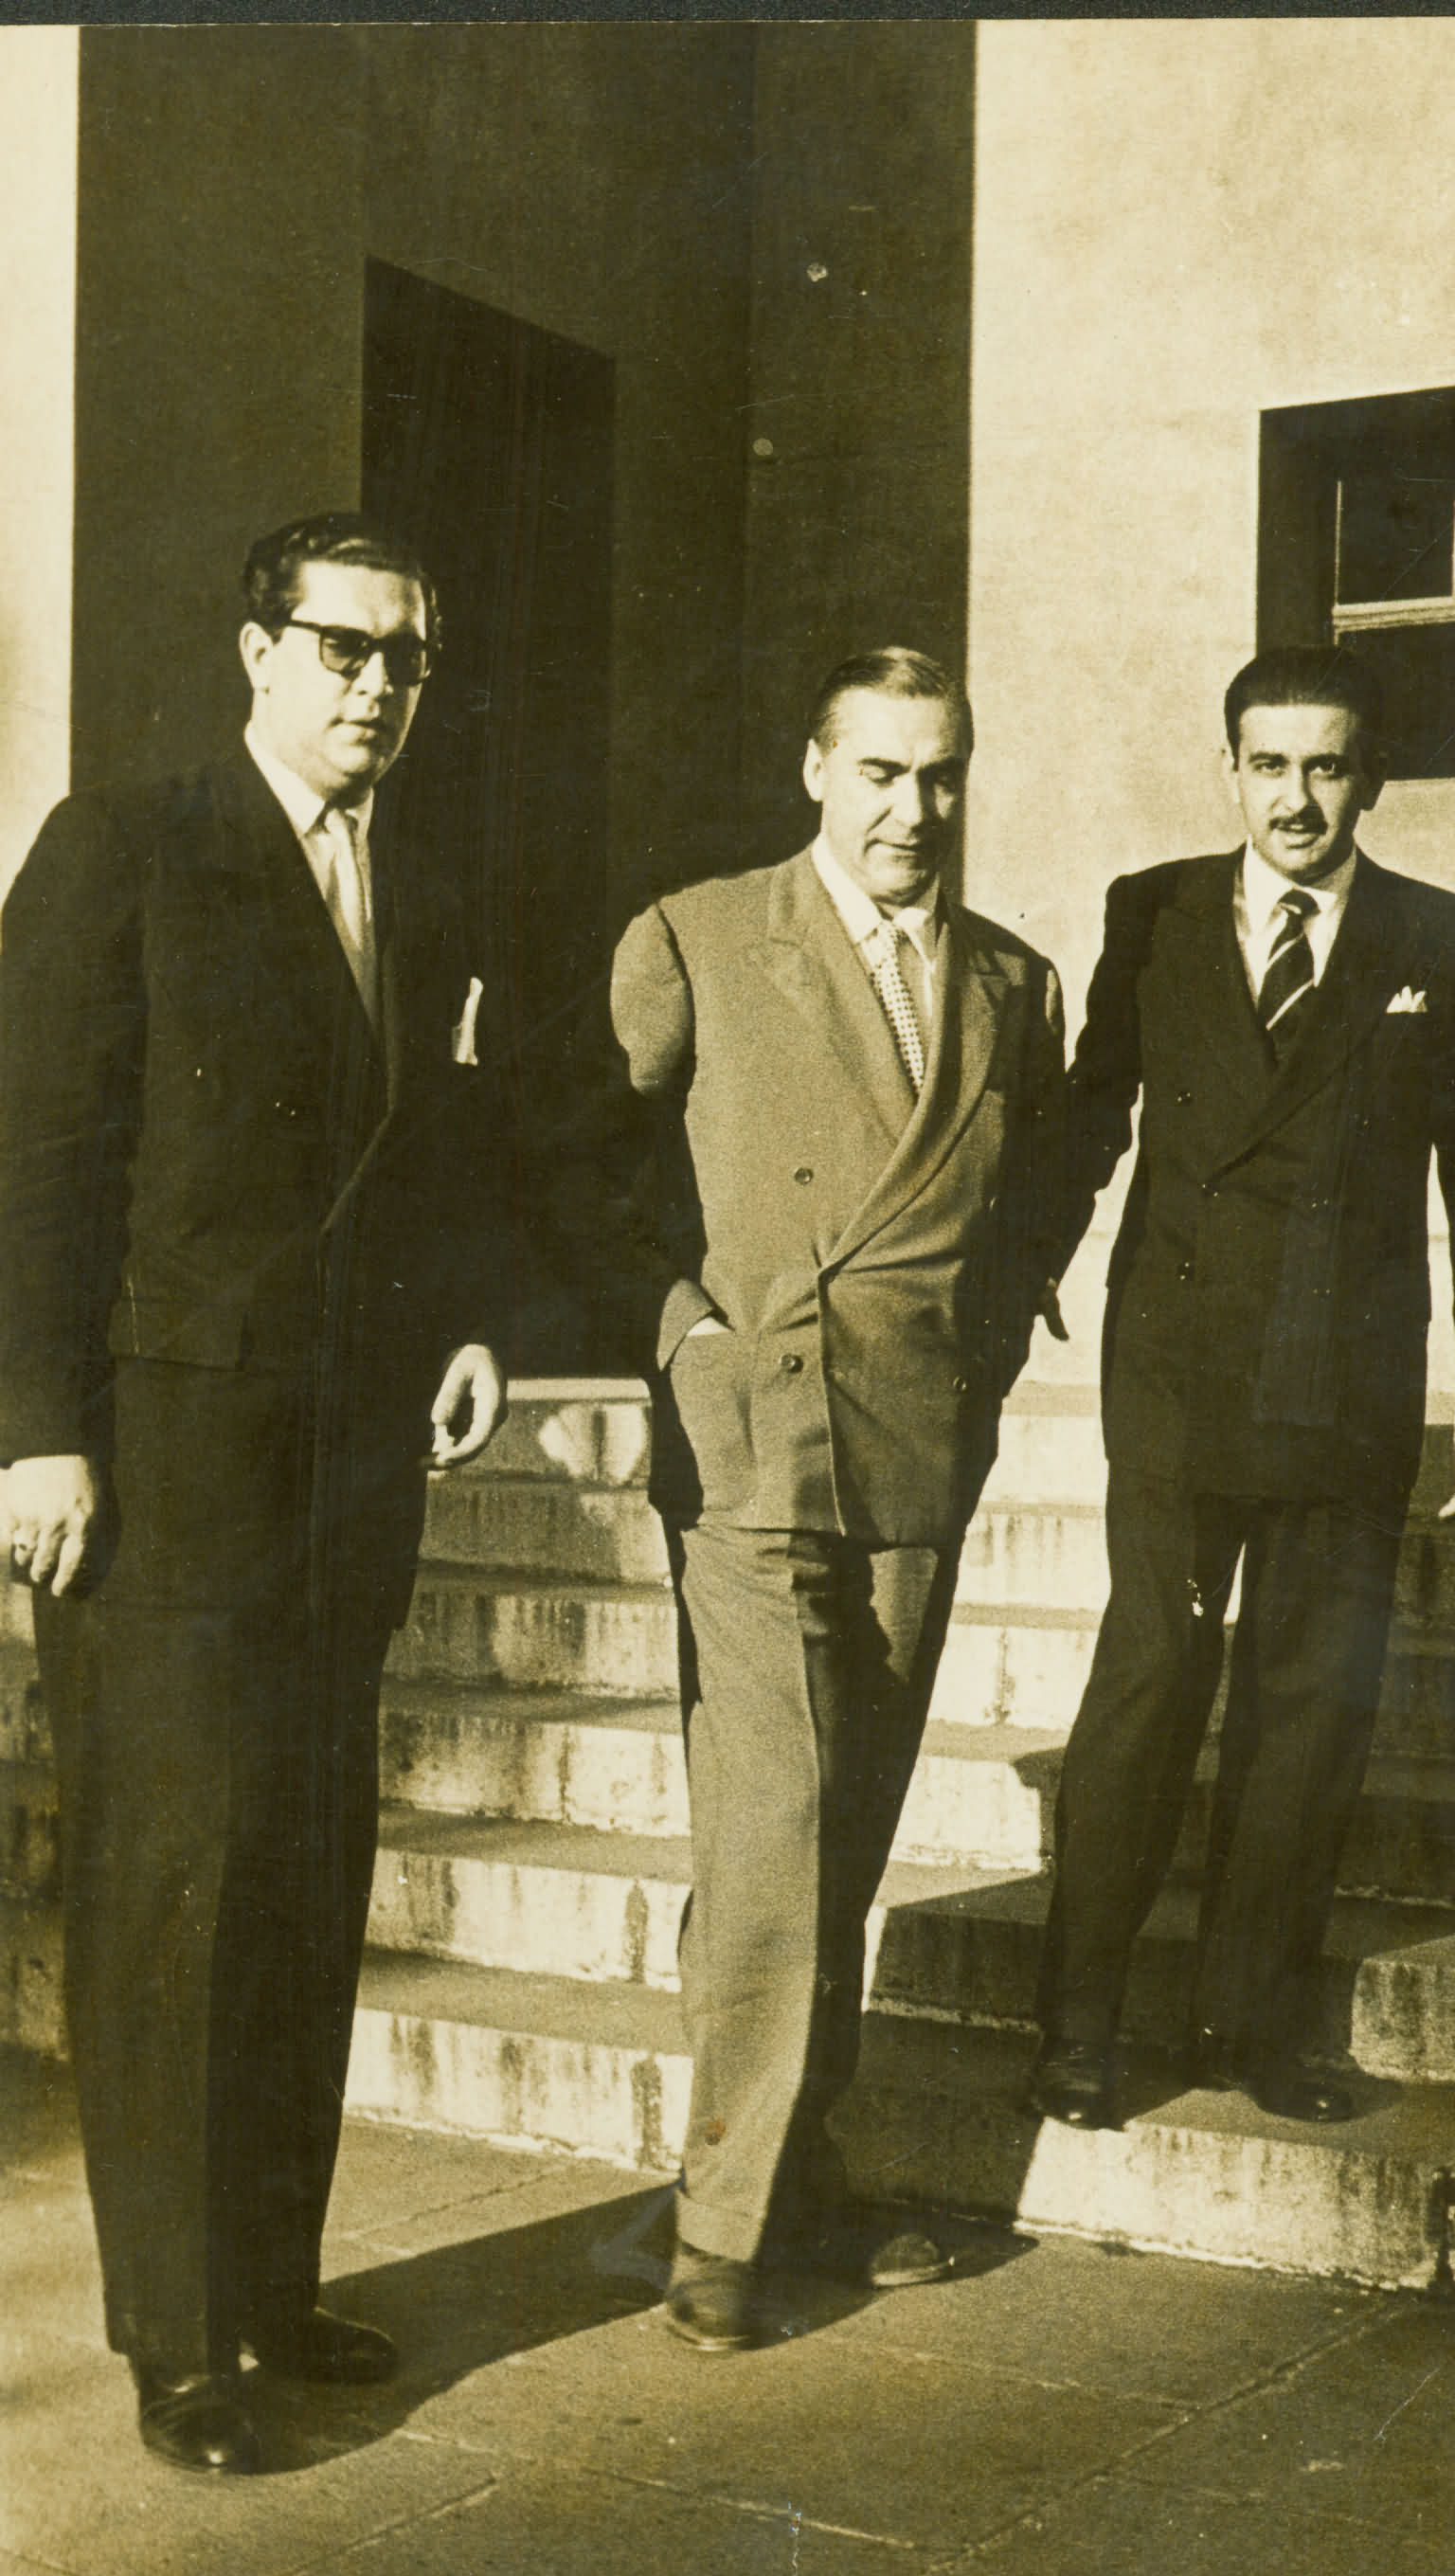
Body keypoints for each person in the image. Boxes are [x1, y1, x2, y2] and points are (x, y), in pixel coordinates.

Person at [0, 513, 508, 2472]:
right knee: (174, 1895)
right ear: (258, 652)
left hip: (342, 1476)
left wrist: (461, 1319)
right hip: (165, 1478)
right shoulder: (126, 847)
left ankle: (274, 2285)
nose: (378, 686)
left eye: (408, 656)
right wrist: (35, 1427)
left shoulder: (415, 876)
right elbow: (33, 1156)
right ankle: (177, 2337)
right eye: (344, 647)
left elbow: (432, 1146)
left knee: (304, 1878)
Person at [573, 647, 1065, 2351]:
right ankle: (721, 2230)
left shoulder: (1013, 980)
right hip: (752, 1441)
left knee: (837, 1828)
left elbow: (1039, 1184)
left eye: (940, 775)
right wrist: (677, 1325)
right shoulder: (698, 937)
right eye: (877, 773)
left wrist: (991, 1337)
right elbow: (580, 1160)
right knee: (773, 1824)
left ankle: (790, 2168)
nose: (911, 811)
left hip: (918, 1440)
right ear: (813, 770)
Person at [1028, 644, 1455, 2130]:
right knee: (1147, 1682)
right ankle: (1076, 2026)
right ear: (1229, 771)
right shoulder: (1154, 911)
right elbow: (1089, 1111)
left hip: (1344, 1370)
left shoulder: (1444, 939)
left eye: (1324, 766)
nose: (1294, 799)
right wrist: (1018, 1269)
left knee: (1308, 1705)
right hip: (1176, 1370)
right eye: (1267, 765)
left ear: (1366, 777)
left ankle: (1250, 2027)